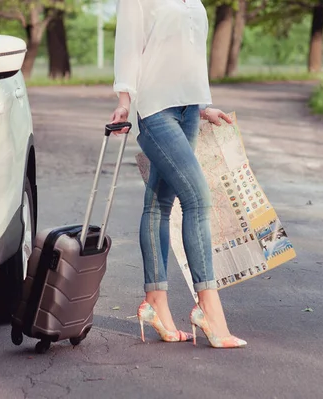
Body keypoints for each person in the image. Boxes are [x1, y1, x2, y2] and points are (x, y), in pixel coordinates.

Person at [110, 0, 247, 348]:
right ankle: (209, 309)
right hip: (155, 109)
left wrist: (203, 105)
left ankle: (155, 303)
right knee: (198, 198)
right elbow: (129, 44)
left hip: (188, 110)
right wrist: (125, 101)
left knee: (159, 202)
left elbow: (187, 52)